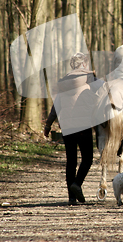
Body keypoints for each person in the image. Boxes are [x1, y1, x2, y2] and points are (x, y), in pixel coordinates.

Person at [44, 52, 96, 205]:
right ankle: (77, 184)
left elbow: (56, 105)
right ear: (84, 64)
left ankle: (71, 198)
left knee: (71, 160)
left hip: (67, 126)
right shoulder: (90, 77)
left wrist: (48, 125)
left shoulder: (63, 81)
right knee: (88, 158)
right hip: (84, 124)